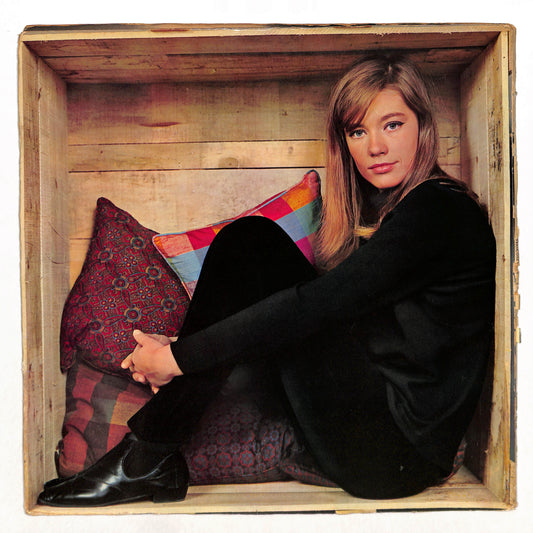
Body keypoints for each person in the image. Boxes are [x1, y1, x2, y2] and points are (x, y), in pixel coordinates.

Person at [38, 55, 496, 507]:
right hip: (375, 428)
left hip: (393, 453)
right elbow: (348, 326)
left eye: (392, 125)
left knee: (252, 246)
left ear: (423, 127)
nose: (375, 146)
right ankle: (149, 455)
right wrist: (185, 347)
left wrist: (178, 359)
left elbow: (314, 307)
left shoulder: (440, 212)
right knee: (251, 246)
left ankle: (147, 455)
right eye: (358, 131)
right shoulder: (400, 210)